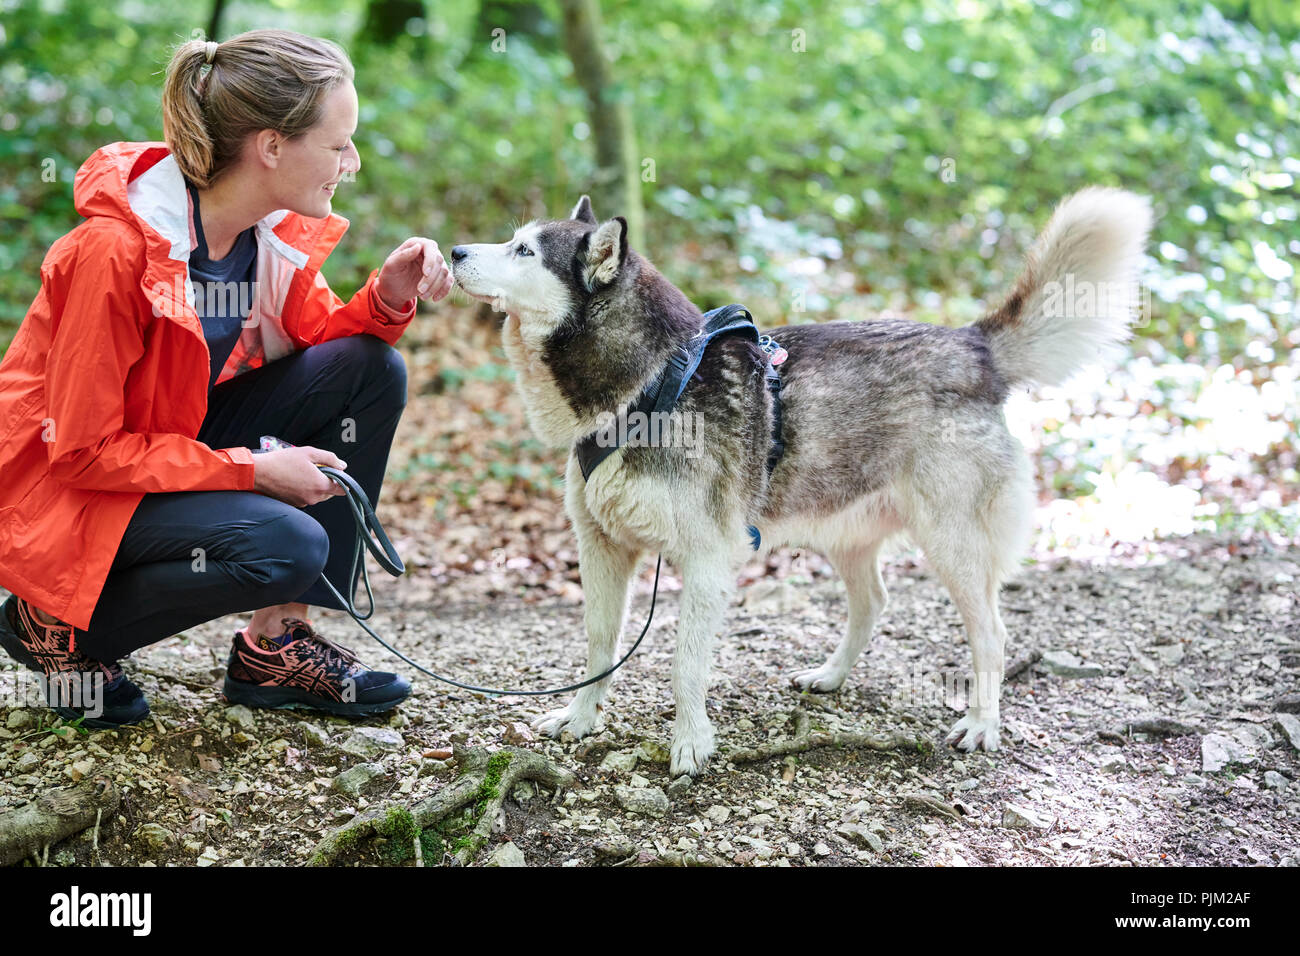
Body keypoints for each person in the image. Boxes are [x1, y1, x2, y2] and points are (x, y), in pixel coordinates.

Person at [0, 29, 452, 727]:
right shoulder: (113, 254)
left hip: (158, 450)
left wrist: (388, 298)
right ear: (272, 147)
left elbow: (323, 347)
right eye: (339, 145)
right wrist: (253, 470)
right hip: (68, 488)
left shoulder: (260, 233)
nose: (353, 164)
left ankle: (277, 644)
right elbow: (83, 451)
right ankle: (51, 623)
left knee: (370, 368)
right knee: (290, 542)